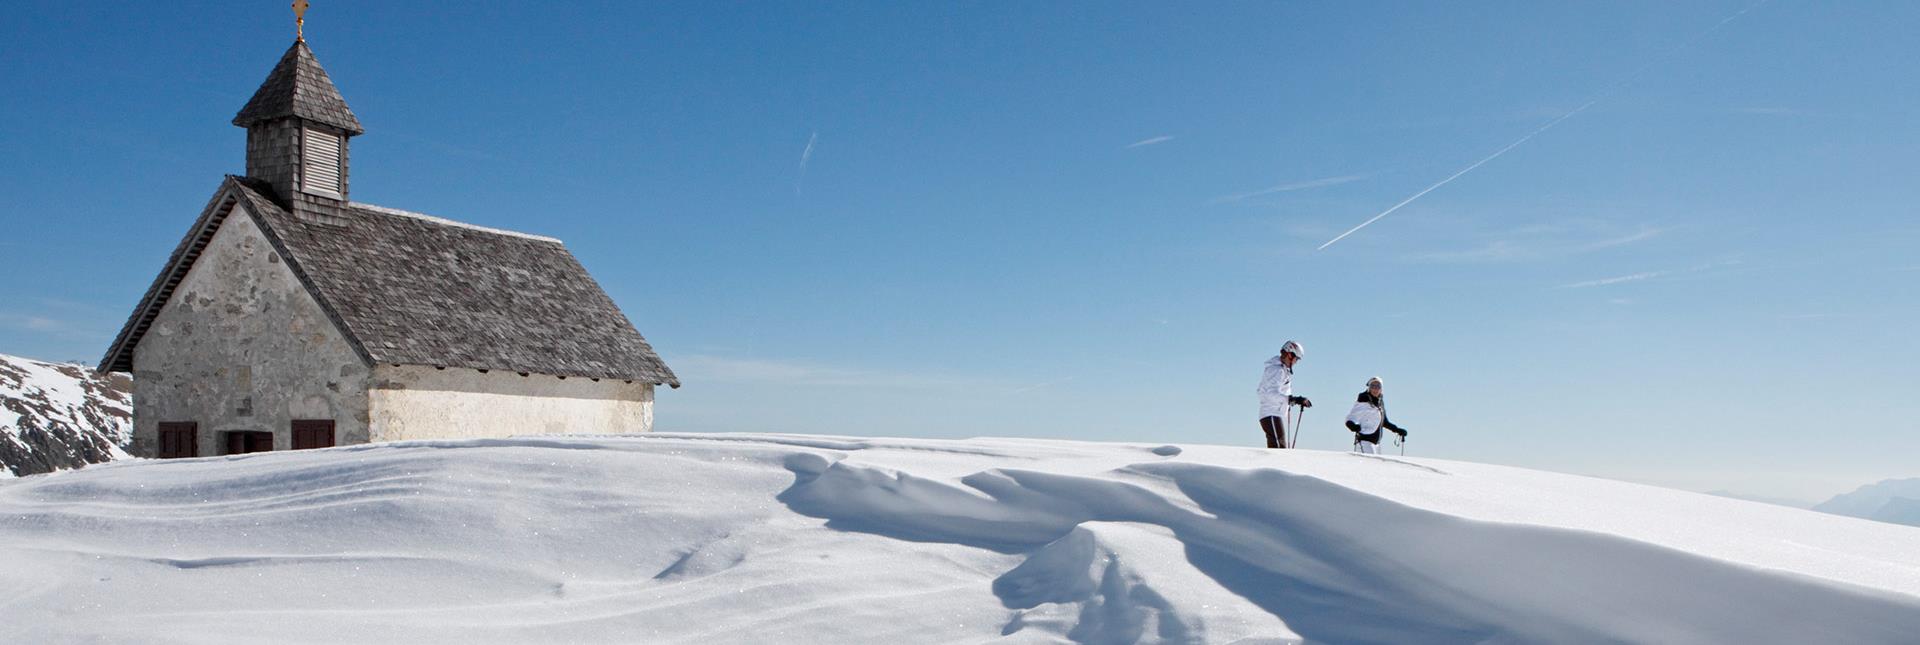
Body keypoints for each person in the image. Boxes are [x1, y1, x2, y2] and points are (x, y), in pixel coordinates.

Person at [1257, 341, 1312, 449]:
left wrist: (1293, 400)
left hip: (1274, 414)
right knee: (1278, 450)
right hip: (1270, 413)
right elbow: (1268, 393)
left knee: (1279, 449)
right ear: (1290, 355)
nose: (1296, 362)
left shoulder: (1281, 370)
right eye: (1297, 359)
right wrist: (1292, 399)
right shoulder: (1277, 370)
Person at [1345, 376, 1407, 454]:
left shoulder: (1380, 403)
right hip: (1364, 441)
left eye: (1378, 386)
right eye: (1372, 386)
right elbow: (1349, 418)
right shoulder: (1363, 400)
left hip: (1377, 443)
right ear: (1369, 388)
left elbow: (1384, 422)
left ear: (1381, 389)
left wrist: (1397, 430)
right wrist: (1352, 426)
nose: (1375, 389)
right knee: (1370, 464)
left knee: (1377, 465)